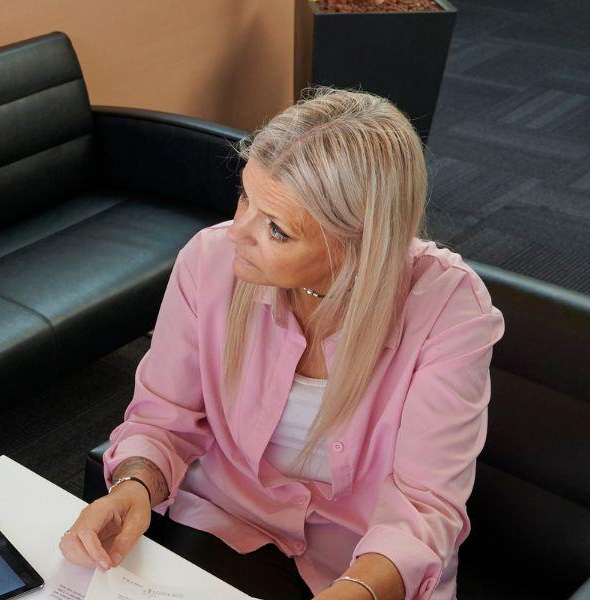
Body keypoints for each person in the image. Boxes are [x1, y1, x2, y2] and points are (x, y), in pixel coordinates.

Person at [59, 89, 504, 600]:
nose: (235, 236)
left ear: (359, 246)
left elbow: (423, 508)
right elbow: (164, 417)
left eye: (276, 229)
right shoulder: (207, 261)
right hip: (226, 521)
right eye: (247, 196)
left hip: (362, 565)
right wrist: (136, 485)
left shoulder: (450, 310)